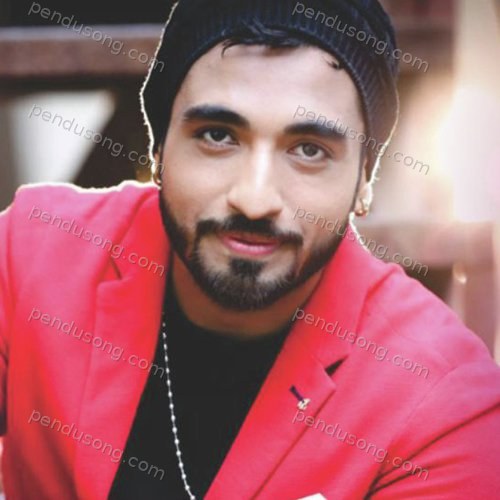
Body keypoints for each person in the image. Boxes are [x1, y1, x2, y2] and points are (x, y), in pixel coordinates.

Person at [1, 0, 500, 498]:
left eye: (309, 150)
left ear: (364, 179)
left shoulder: (442, 403)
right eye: (217, 136)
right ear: (159, 150)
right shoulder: (34, 252)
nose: (255, 199)